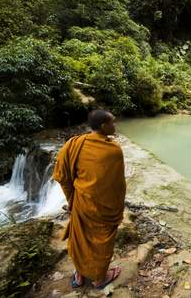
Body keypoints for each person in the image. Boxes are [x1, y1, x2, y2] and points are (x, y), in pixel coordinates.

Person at [53, 109, 126, 289]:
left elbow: (62, 175)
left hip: (82, 203)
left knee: (81, 240)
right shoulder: (113, 150)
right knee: (102, 242)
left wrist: (72, 199)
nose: (115, 125)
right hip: (104, 208)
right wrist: (118, 206)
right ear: (103, 126)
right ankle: (99, 279)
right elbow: (116, 185)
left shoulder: (74, 144)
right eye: (112, 122)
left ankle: (79, 275)